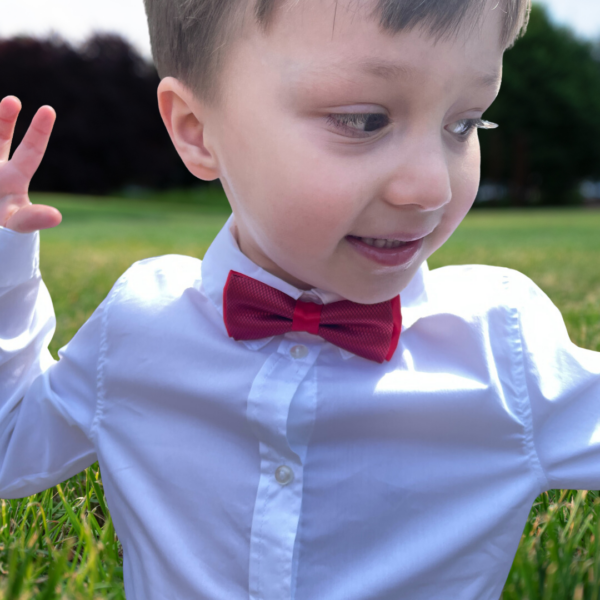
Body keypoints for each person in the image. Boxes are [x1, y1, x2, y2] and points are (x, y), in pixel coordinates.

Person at [1, 0, 598, 598]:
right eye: (364, 120)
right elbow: (13, 447)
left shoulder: (503, 351)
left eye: (464, 123)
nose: (431, 188)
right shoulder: (138, 324)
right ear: (197, 130)